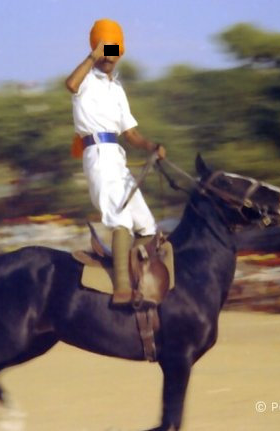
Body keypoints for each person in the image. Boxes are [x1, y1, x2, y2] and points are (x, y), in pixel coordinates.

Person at [65, 18, 166, 305]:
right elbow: (70, 84)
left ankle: (137, 275)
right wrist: (93, 55)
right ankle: (122, 289)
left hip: (117, 157)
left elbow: (130, 133)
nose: (110, 56)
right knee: (119, 218)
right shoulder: (84, 78)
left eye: (114, 49)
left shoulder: (117, 89)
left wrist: (151, 147)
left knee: (147, 226)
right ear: (97, 49)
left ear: (120, 51)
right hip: (96, 154)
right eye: (105, 49)